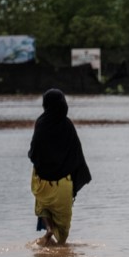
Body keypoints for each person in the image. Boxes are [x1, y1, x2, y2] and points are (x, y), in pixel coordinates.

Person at [28, 88, 92, 245]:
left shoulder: (41, 123)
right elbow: (77, 155)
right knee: (62, 238)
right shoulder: (67, 125)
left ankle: (48, 228)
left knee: (41, 205)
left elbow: (33, 153)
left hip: (42, 183)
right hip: (63, 184)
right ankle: (57, 242)